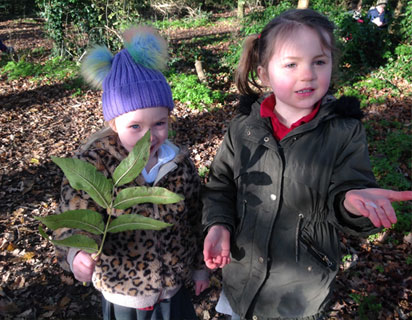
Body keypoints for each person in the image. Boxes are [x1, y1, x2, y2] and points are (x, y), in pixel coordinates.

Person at [202, 8, 412, 320]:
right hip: (241, 282)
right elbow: (220, 184)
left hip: (299, 294)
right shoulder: (244, 128)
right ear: (264, 74)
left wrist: (353, 201)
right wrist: (218, 223)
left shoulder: (343, 131)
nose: (308, 74)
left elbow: (347, 192)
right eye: (291, 64)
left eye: (319, 62)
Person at [53, 27, 209, 320]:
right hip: (124, 292)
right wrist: (77, 255)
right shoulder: (96, 165)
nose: (150, 136)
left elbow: (195, 217)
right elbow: (73, 216)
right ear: (114, 123)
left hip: (172, 290)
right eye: (136, 127)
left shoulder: (178, 164)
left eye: (160, 123)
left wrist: (199, 267)